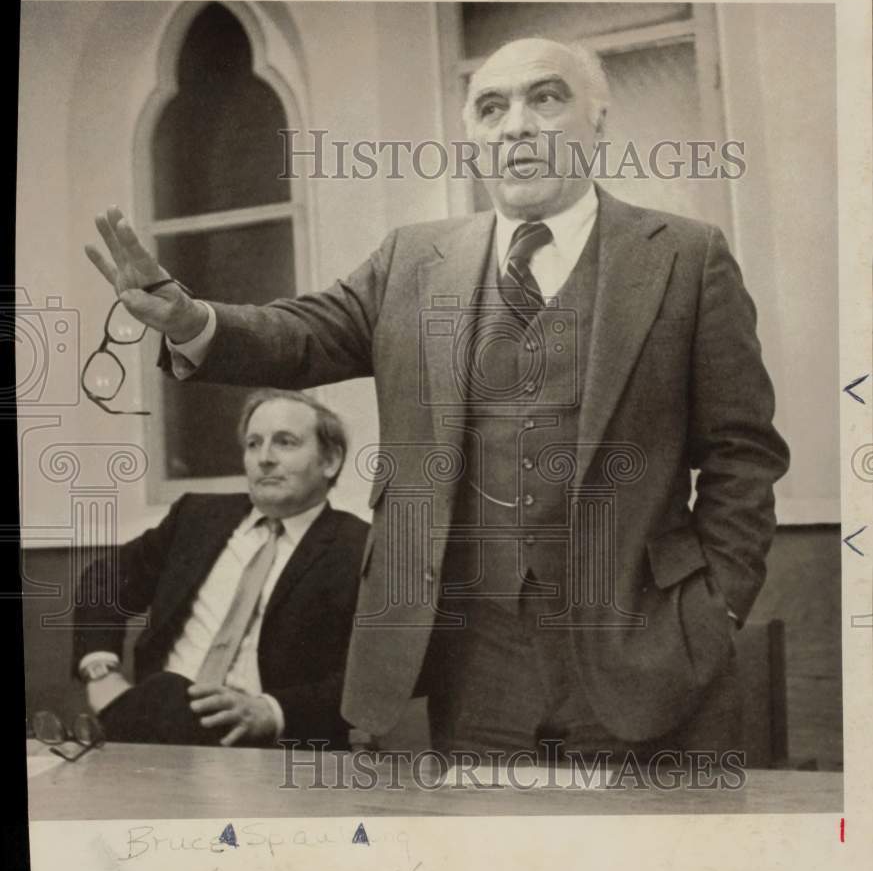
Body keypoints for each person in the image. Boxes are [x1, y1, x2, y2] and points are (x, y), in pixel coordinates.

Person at [84, 37, 789, 759]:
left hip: (644, 652)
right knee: (487, 864)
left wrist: (713, 608)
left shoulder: (685, 255)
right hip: (474, 665)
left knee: (645, 866)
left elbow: (743, 452)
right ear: (474, 142)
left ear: (598, 122)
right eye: (491, 107)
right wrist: (194, 321)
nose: (515, 125)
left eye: (544, 98)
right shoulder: (412, 261)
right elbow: (299, 335)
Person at [72, 389, 368, 748]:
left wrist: (272, 712)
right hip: (157, 729)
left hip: (269, 749)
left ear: (331, 460)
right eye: (253, 444)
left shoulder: (359, 548)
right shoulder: (197, 518)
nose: (265, 459)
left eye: (285, 443)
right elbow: (104, 578)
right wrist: (100, 670)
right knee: (165, 692)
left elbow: (371, 677)